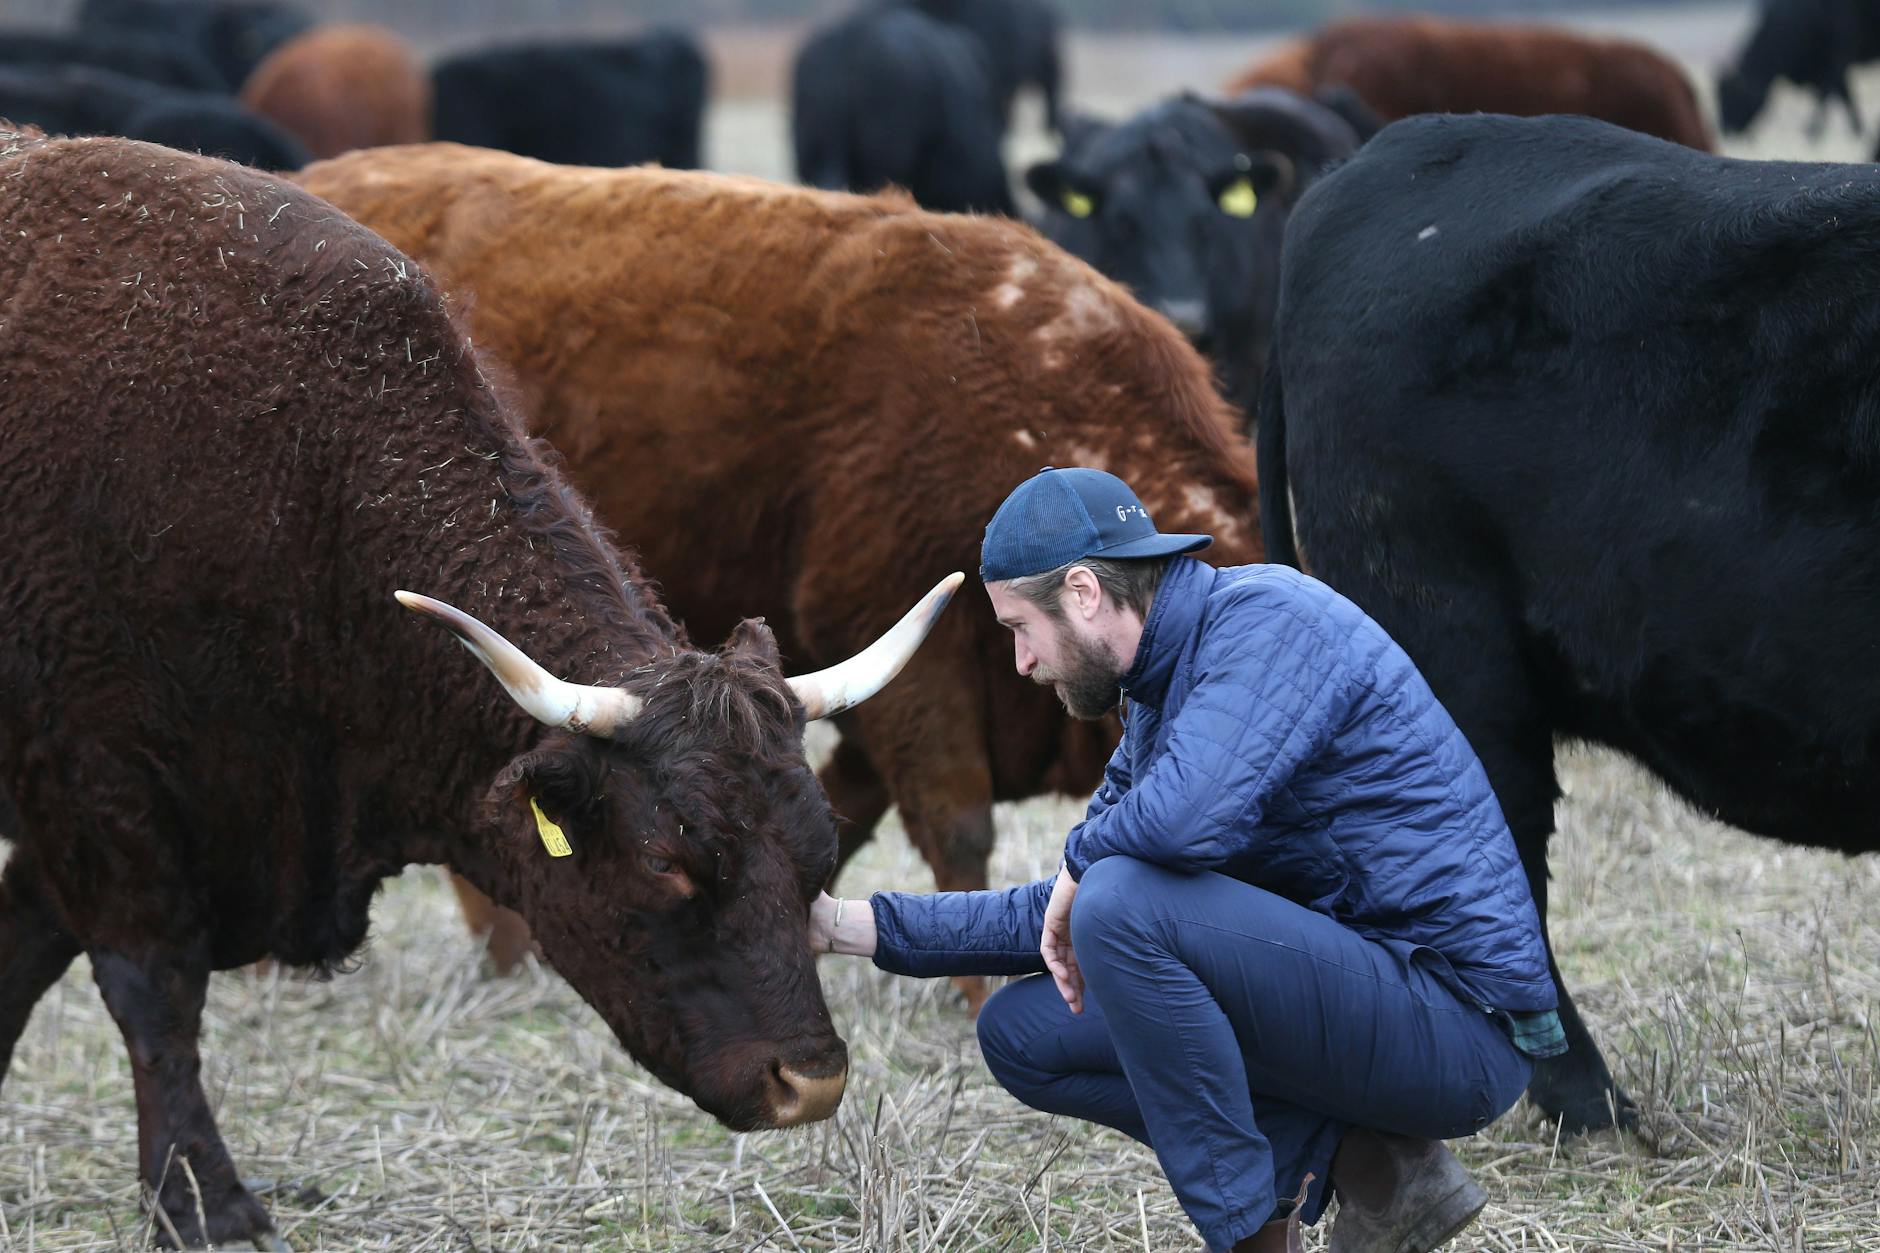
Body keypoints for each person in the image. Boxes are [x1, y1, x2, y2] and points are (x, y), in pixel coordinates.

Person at [810, 467, 1565, 1253]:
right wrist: (846, 926)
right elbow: (1067, 905)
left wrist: (1081, 866)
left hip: (1455, 1027)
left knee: (1118, 902)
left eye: (1018, 628)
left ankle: (1247, 1238)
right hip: (1358, 1003)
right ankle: (1378, 1167)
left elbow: (1174, 827)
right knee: (1023, 1030)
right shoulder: (1157, 699)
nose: (1022, 663)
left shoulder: (1268, 620)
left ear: (1083, 593)